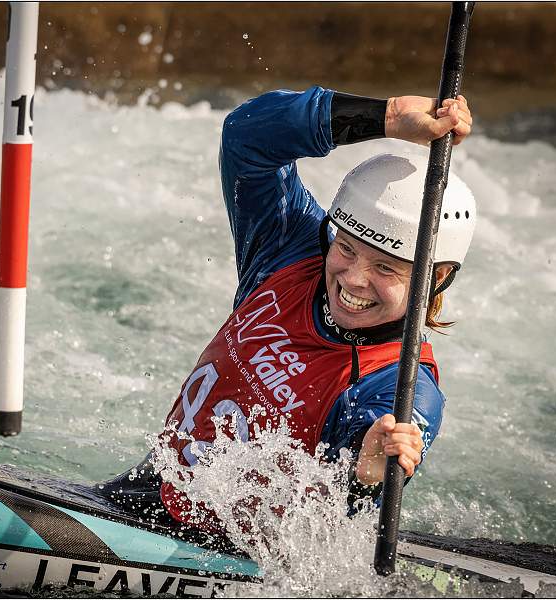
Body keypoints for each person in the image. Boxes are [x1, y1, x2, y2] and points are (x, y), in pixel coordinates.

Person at [99, 87, 475, 541]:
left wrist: (367, 473)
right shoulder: (289, 254)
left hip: (228, 555)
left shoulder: (400, 388)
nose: (353, 279)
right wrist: (387, 116)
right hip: (144, 494)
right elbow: (247, 137)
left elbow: (338, 514)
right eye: (347, 249)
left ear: (437, 279)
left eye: (384, 267)